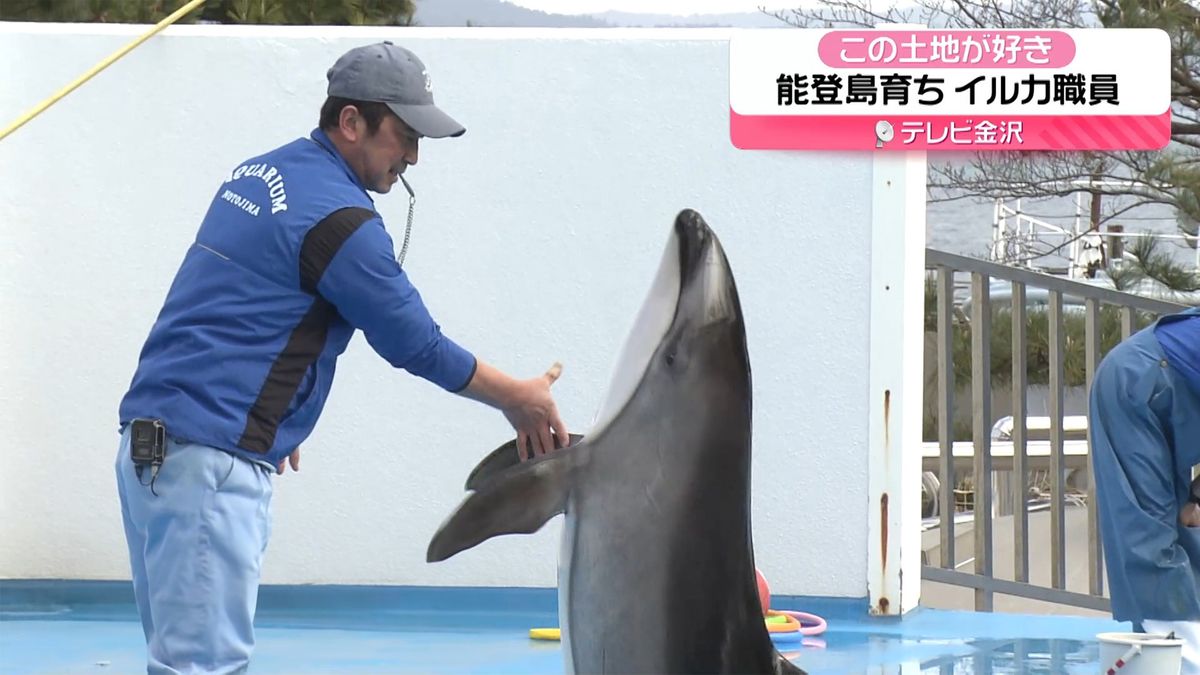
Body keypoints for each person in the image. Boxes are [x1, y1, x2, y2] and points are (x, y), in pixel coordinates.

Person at [114, 41, 570, 674]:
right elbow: (416, 343)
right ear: (351, 121)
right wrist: (517, 395)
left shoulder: (257, 174)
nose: (412, 156)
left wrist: (276, 410)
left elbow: (235, 301)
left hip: (151, 449)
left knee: (178, 661)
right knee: (201, 668)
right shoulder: (341, 218)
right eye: (403, 135)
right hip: (209, 464)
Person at [1089, 304, 1200, 674]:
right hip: (1137, 384)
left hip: (1171, 389)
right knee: (1150, 533)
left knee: (1178, 531)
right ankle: (1179, 660)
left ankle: (1170, 651)